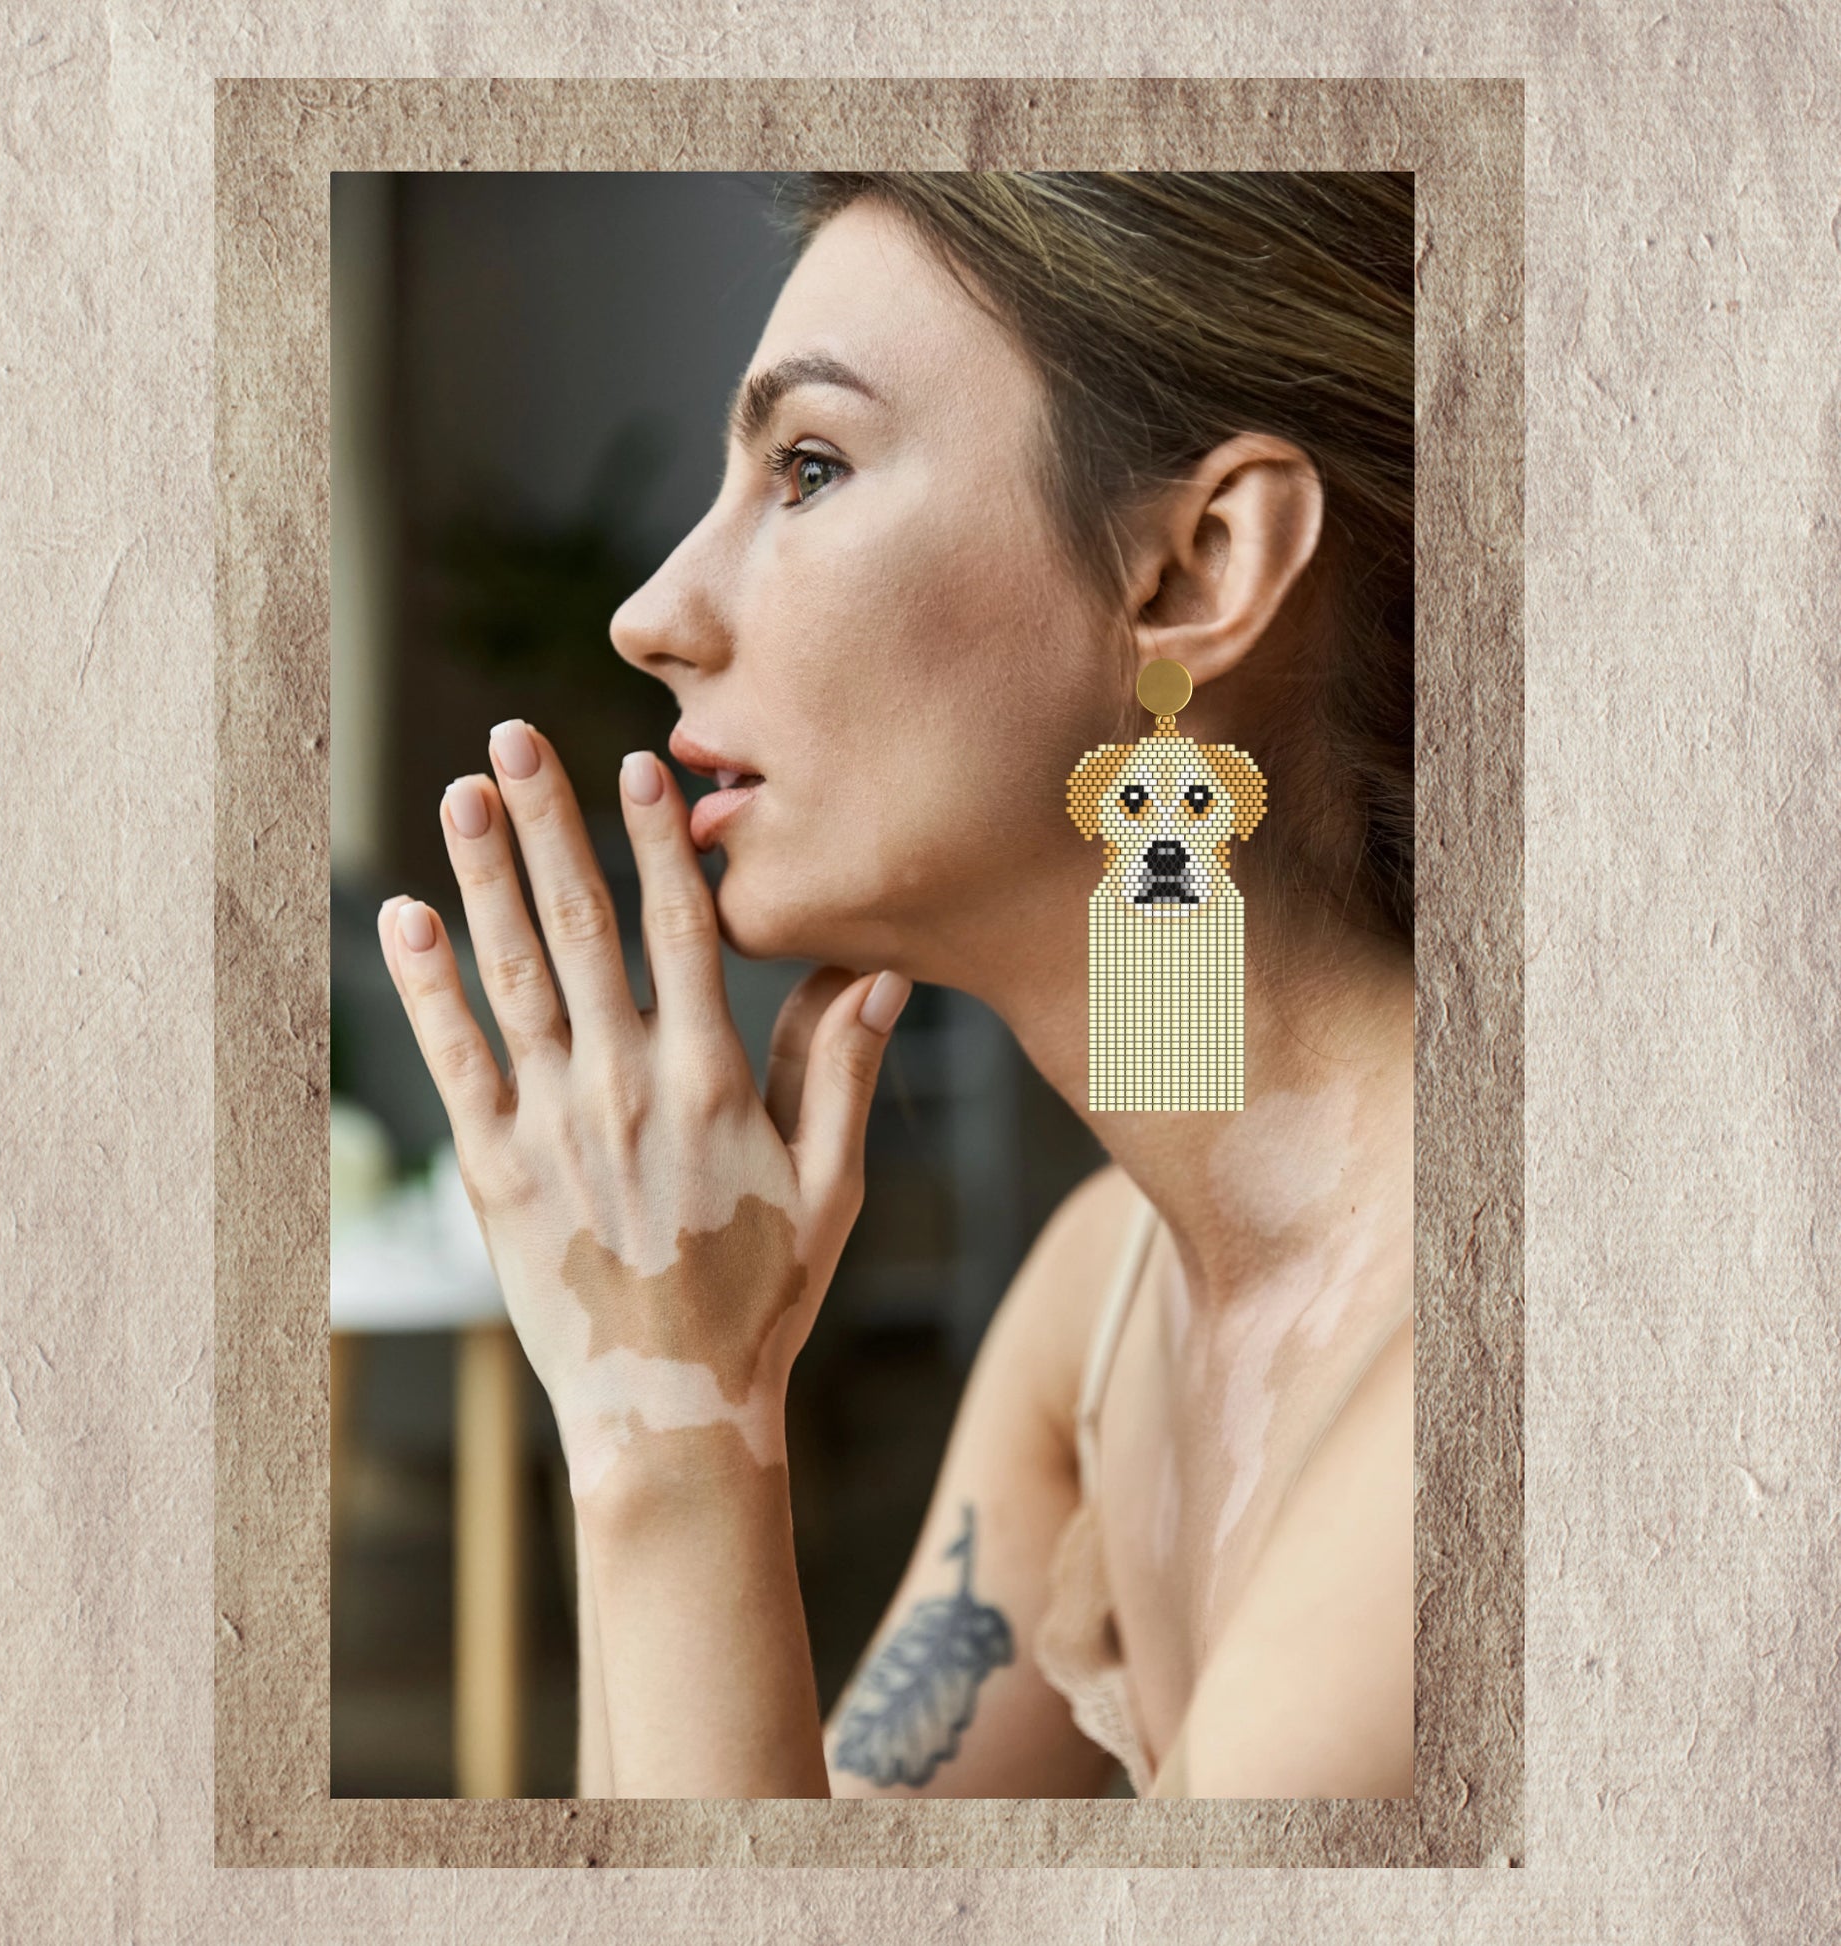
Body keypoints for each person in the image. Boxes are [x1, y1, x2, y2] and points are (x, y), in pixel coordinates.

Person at [377, 171, 1416, 1799]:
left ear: (1192, 572)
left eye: (807, 467)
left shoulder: (1484, 1397)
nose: (649, 615)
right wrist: (658, 1392)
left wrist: (674, 1439)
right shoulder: (1104, 1297)